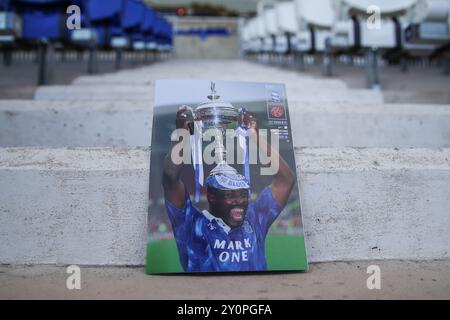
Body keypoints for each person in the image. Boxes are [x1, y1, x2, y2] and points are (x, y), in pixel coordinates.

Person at [162, 106, 295, 272]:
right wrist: (182, 135)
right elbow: (170, 178)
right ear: (211, 196)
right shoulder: (192, 223)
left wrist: (254, 135)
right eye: (230, 194)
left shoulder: (254, 220)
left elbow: (285, 180)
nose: (238, 200)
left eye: (242, 194)